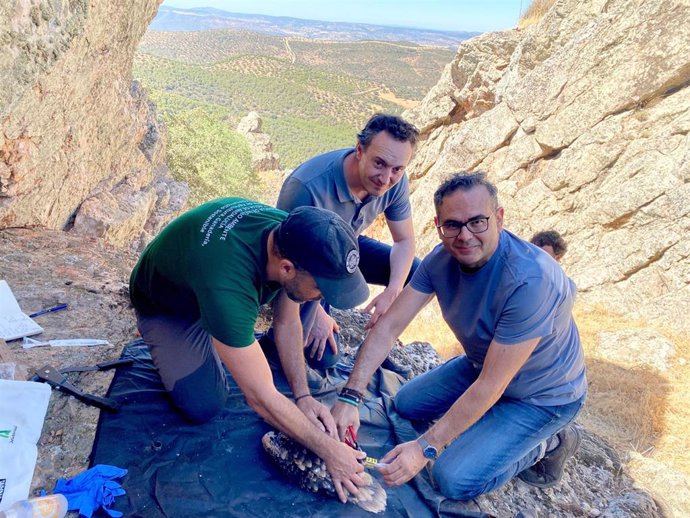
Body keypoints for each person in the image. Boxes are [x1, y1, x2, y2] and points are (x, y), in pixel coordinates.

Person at [332, 172, 587, 500]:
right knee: (407, 404)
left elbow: (491, 386)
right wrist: (350, 395)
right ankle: (490, 430)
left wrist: (424, 447)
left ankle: (550, 443)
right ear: (439, 225)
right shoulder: (440, 260)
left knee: (452, 478)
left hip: (540, 396)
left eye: (477, 221)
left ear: (499, 218)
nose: (465, 235)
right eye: (452, 225)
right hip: (482, 366)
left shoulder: (530, 281)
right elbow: (390, 325)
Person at [129, 197, 371, 502]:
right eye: (322, 290)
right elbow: (260, 398)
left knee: (250, 337)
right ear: (286, 268)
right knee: (203, 404)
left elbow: (287, 322)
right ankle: (185, 336)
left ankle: (225, 336)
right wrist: (330, 451)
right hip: (168, 306)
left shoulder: (293, 236)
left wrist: (303, 397)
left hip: (211, 289)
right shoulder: (227, 283)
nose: (322, 298)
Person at [268, 113, 421, 371]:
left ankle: (377, 349)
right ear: (359, 150)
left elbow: (404, 241)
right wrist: (318, 313)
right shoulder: (307, 187)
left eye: (397, 169)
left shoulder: (394, 181)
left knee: (415, 272)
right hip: (305, 262)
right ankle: (275, 359)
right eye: (379, 164)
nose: (386, 178)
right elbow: (283, 261)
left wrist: (392, 292)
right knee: (324, 357)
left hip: (346, 245)